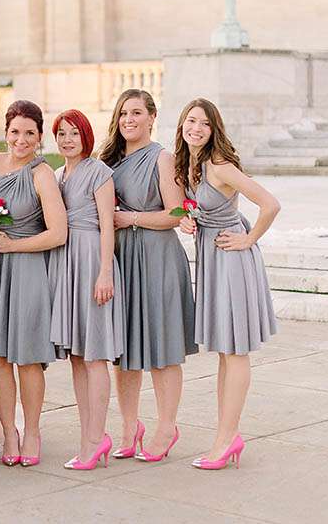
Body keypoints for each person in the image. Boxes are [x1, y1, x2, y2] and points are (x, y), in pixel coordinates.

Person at [175, 98, 279, 470]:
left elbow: (270, 203)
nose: (196, 129)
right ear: (182, 126)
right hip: (213, 258)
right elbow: (196, 209)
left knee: (235, 351)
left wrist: (248, 240)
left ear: (214, 128)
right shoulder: (192, 165)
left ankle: (227, 438)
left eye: (204, 123)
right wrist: (189, 221)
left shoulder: (219, 165)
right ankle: (224, 435)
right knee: (223, 350)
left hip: (232, 259)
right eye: (191, 121)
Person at [98, 89, 196, 463]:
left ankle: (166, 428)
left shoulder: (162, 158)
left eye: (136, 113)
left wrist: (132, 218)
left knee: (161, 348)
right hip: (121, 258)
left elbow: (175, 214)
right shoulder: (107, 161)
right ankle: (128, 426)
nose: (129, 120)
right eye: (123, 113)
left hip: (156, 259)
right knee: (123, 351)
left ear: (152, 117)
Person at [0, 100, 67, 468]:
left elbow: (58, 233)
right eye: (15, 131)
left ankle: (32, 431)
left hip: (28, 268)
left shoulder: (42, 174)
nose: (21, 139)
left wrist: (14, 245)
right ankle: (8, 433)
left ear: (40, 136)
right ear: (6, 132)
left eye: (30, 133)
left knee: (27, 357)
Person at [48, 109, 124, 470]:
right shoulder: (58, 175)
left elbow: (108, 226)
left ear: (86, 137)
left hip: (92, 260)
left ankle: (97, 438)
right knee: (77, 355)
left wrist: (105, 273)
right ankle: (88, 437)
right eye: (61, 133)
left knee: (95, 355)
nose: (66, 140)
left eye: (73, 133)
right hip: (66, 264)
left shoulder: (99, 173)